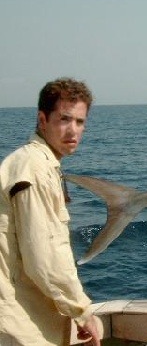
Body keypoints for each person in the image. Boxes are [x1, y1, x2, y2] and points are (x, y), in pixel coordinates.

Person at [0, 78, 101, 346]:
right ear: (42, 119)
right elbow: (42, 258)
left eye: (80, 122)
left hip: (30, 319)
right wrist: (82, 311)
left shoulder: (39, 165)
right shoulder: (34, 169)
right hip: (18, 326)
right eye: (64, 119)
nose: (73, 130)